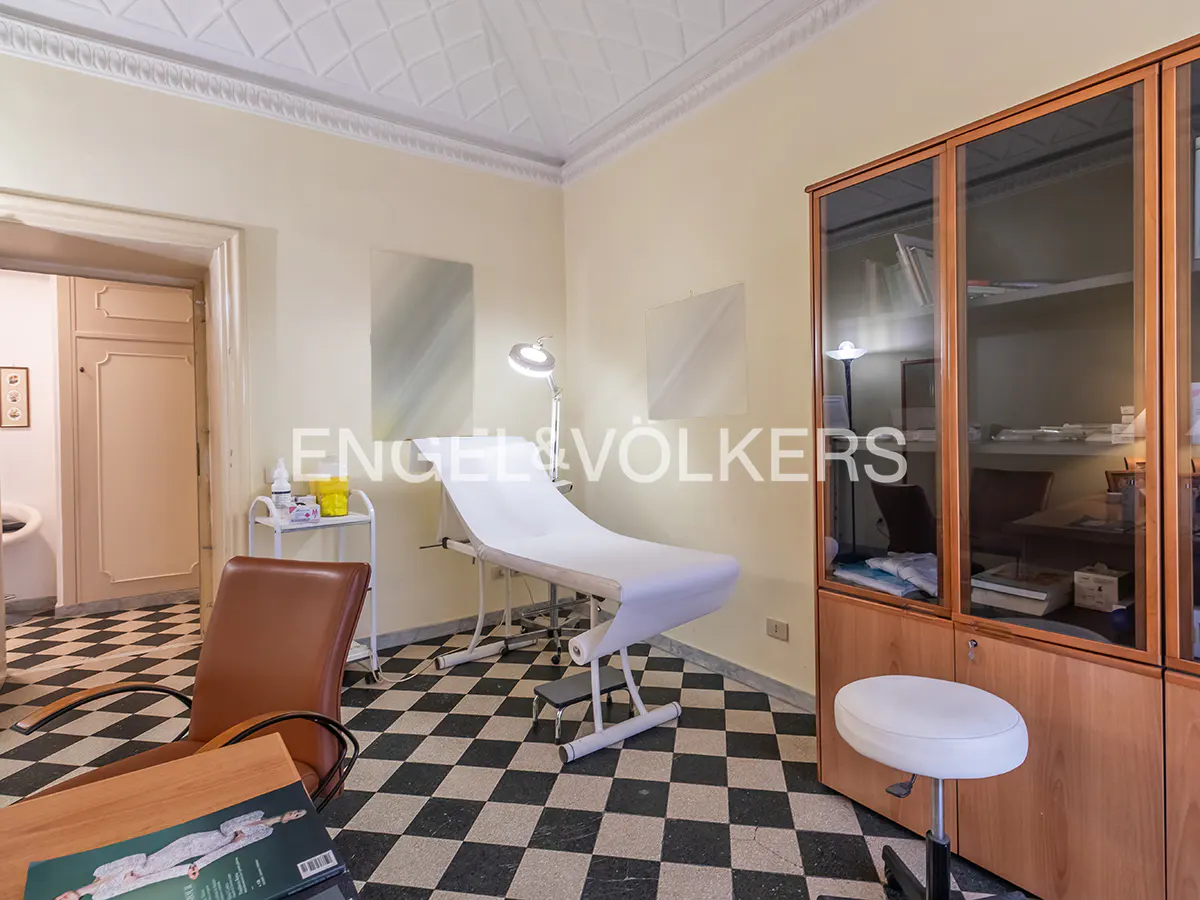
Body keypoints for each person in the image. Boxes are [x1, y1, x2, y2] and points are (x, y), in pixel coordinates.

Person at [53, 809, 308, 900]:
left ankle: (271, 821)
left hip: (171, 850)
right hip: (166, 866)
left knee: (222, 837)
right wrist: (183, 872)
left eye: (58, 898)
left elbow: (139, 859)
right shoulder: (103, 896)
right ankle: (273, 821)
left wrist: (131, 871)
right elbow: (146, 880)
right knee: (224, 843)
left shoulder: (99, 873)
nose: (63, 898)